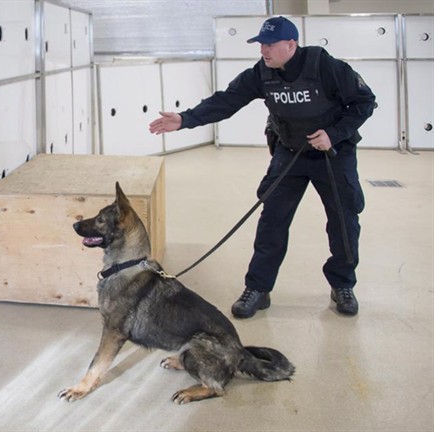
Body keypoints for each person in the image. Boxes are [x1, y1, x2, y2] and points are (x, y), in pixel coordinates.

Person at [149, 16, 375, 318]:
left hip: (332, 154)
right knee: (272, 222)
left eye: (270, 44)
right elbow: (227, 101)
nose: (263, 50)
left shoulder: (326, 67)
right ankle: (258, 288)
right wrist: (184, 119)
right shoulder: (262, 73)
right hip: (290, 153)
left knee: (343, 222)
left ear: (291, 44)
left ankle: (342, 284)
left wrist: (333, 134)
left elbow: (364, 102)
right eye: (261, 44)